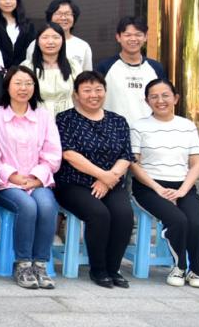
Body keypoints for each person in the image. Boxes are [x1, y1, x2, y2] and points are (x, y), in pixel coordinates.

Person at [54, 71, 135, 288]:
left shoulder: (118, 121)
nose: (94, 95)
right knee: (99, 214)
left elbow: (126, 155)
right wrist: (102, 175)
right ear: (76, 94)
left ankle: (113, 269)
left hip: (111, 182)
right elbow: (69, 154)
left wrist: (109, 178)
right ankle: (98, 270)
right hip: (74, 183)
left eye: (98, 89)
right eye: (87, 90)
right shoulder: (65, 119)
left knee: (124, 215)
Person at [0, 65, 61, 289]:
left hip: (37, 180)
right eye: (17, 83)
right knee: (27, 206)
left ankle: (40, 264)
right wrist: (13, 176)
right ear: (7, 87)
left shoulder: (43, 116)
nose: (23, 88)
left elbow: (53, 153)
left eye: (28, 83)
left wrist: (37, 178)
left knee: (47, 206)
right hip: (4, 183)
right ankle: (23, 264)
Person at [130, 78, 199, 288]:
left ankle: (196, 270)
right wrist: (158, 188)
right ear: (147, 101)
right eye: (154, 97)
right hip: (149, 187)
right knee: (178, 221)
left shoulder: (187, 126)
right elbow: (134, 164)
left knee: (197, 225)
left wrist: (182, 190)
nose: (160, 101)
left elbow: (196, 164)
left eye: (165, 95)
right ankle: (180, 266)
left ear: (175, 98)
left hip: (183, 186)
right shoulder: (139, 127)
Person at [98, 16, 166, 124]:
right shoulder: (105, 66)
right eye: (128, 35)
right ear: (118, 37)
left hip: (148, 129)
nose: (133, 39)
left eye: (138, 35)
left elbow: (163, 99)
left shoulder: (156, 67)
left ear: (145, 37)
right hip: (113, 129)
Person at [27, 0, 93, 72]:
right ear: (50, 17)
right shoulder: (37, 44)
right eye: (58, 13)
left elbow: (87, 75)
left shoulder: (83, 46)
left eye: (68, 14)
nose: (63, 18)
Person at [32, 23, 79, 115]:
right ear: (37, 41)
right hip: (38, 117)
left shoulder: (73, 65)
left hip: (68, 117)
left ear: (63, 41)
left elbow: (80, 94)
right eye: (45, 37)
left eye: (55, 37)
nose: (50, 42)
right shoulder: (27, 67)